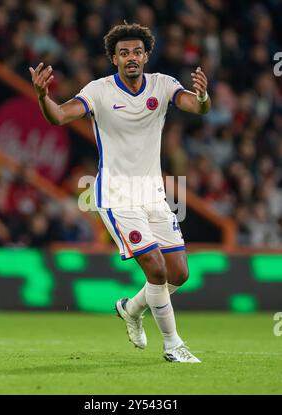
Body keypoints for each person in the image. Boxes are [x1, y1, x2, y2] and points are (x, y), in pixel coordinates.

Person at [29, 22, 211, 363]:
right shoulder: (98, 91)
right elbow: (59, 116)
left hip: (153, 194)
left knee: (179, 274)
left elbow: (196, 106)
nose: (131, 58)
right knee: (155, 270)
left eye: (137, 52)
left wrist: (202, 96)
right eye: (124, 53)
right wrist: (43, 97)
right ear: (114, 58)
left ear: (146, 56)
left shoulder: (163, 85)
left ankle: (130, 308)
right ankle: (173, 345)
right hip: (116, 194)